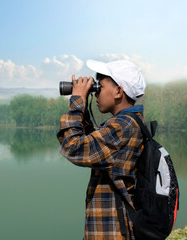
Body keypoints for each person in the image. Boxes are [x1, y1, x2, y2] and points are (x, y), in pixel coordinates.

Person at [57, 59, 147, 240]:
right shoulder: (127, 123)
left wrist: (77, 101)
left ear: (118, 91)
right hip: (110, 228)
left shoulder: (123, 127)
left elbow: (73, 148)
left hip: (112, 232)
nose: (96, 91)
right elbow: (93, 147)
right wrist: (84, 109)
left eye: (100, 85)